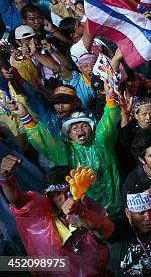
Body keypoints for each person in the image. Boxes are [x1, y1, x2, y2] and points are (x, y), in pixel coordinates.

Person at [9, 82, 123, 218]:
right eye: (74, 128)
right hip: (89, 214)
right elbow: (44, 140)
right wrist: (24, 116)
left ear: (91, 130)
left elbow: (108, 123)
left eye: (84, 126)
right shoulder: (65, 152)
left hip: (118, 209)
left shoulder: (100, 144)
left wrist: (110, 98)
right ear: (68, 135)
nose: (79, 129)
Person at [0, 156, 114, 276]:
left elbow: (110, 233)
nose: (64, 198)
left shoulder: (87, 207)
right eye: (57, 193)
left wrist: (86, 218)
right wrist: (6, 178)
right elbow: (18, 201)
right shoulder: (39, 215)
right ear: (47, 195)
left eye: (69, 191)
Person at [108, 184, 151, 276]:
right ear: (128, 213)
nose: (148, 218)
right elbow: (101, 227)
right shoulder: (119, 228)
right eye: (141, 213)